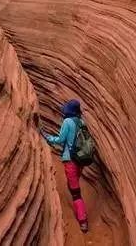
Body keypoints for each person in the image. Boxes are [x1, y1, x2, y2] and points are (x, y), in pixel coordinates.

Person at [41, 99, 89, 233]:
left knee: (75, 193)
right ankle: (76, 197)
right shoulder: (81, 122)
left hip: (70, 161)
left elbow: (61, 140)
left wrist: (48, 138)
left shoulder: (67, 122)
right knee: (74, 185)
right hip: (80, 160)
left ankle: (83, 220)